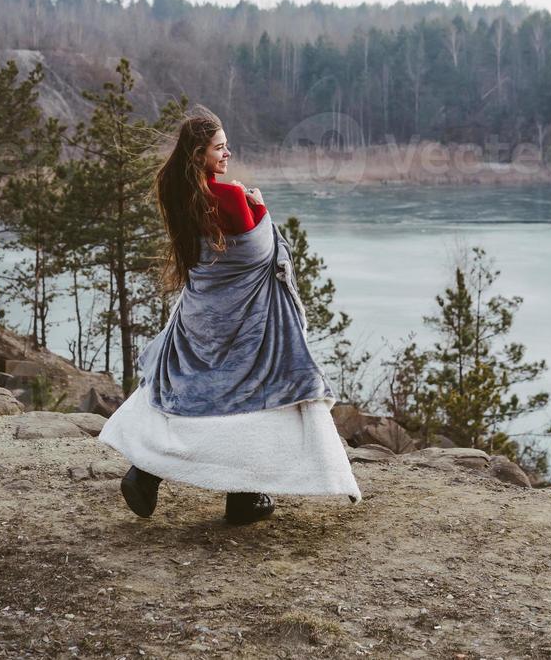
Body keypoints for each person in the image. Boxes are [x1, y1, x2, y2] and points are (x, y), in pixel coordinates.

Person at [97, 107, 362, 524]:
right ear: (199, 154)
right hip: (244, 321)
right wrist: (260, 206)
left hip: (200, 315)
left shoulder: (179, 195)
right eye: (220, 148)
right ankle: (244, 498)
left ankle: (146, 473)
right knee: (255, 399)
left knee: (183, 392)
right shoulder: (232, 196)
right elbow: (259, 251)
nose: (228, 154)